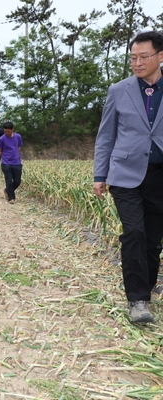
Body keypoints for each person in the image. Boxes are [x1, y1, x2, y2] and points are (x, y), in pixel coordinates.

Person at [93, 31, 163, 324]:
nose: (137, 63)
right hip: (125, 175)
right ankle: (137, 300)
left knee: (152, 241)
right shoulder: (118, 90)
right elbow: (106, 134)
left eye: (143, 57)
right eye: (133, 57)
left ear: (160, 56)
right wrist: (100, 173)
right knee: (133, 232)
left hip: (159, 176)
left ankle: (144, 291)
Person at [0, 121, 23, 204]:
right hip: (6, 162)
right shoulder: (1, 139)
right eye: (5, 131)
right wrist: (5, 157)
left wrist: (14, 154)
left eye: (8, 131)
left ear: (12, 130)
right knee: (8, 180)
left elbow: (19, 146)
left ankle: (7, 190)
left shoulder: (18, 137)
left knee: (17, 181)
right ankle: (11, 198)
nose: (6, 133)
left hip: (17, 162)